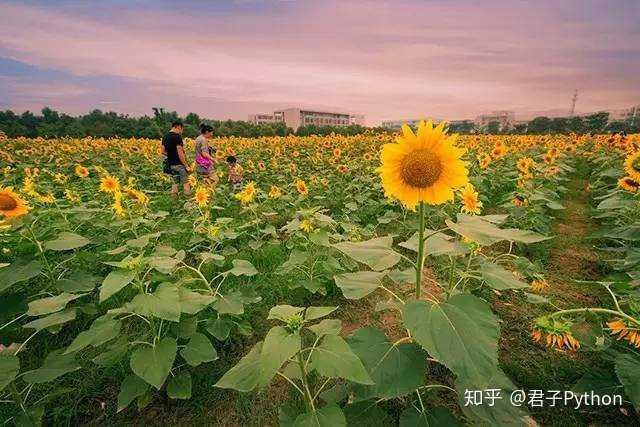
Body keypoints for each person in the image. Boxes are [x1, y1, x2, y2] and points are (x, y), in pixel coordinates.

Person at [162, 120, 192, 199]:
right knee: (186, 183)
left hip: (170, 165)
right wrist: (186, 166)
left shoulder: (165, 136)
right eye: (182, 129)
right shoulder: (177, 137)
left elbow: (163, 151)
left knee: (174, 184)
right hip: (179, 165)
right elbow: (180, 153)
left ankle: (174, 204)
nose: (181, 132)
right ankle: (189, 205)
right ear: (178, 127)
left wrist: (171, 155)